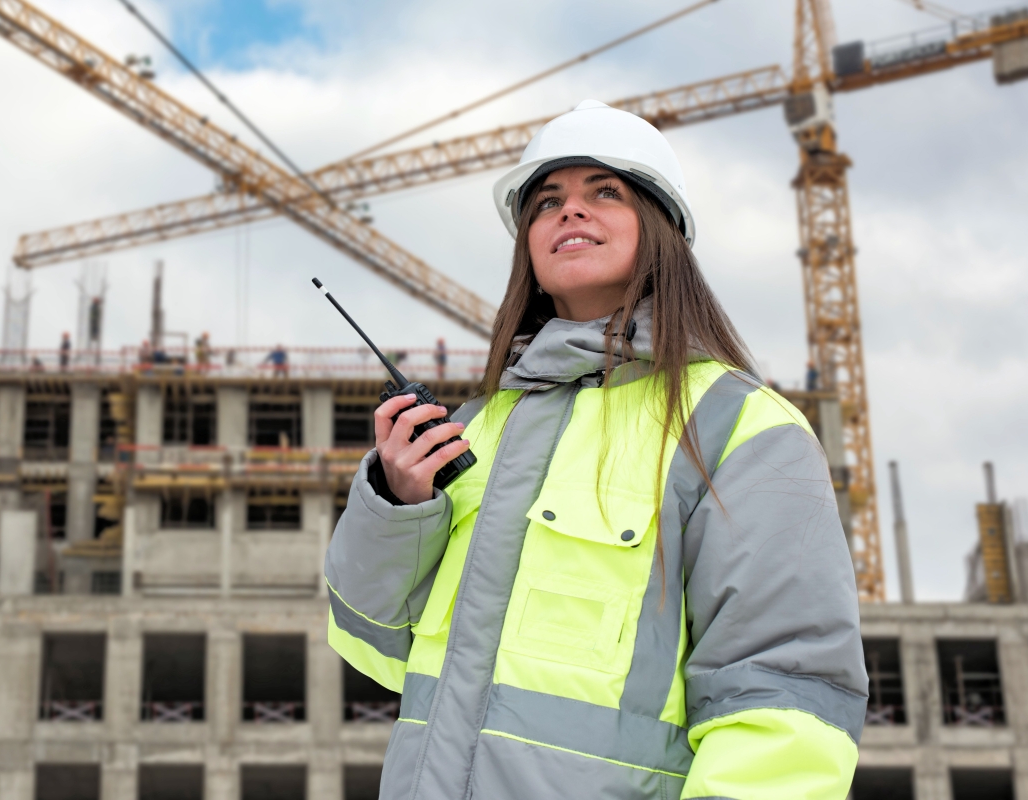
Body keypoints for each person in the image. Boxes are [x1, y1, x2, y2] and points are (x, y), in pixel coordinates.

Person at [324, 100, 866, 800]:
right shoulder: (475, 430)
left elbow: (782, 698)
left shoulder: (742, 430)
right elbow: (375, 645)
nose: (569, 212)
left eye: (604, 192)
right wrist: (400, 506)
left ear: (662, 229)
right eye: (547, 201)